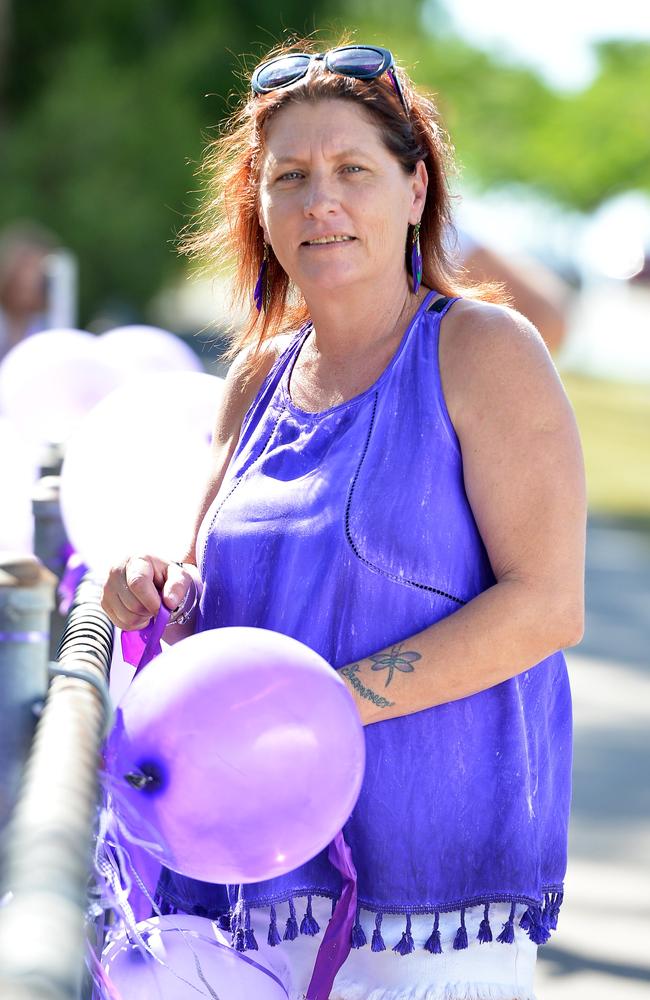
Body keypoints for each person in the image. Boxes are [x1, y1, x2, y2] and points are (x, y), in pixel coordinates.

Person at [101, 38, 586, 1000]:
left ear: (415, 190)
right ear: (262, 206)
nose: (322, 200)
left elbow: (547, 606)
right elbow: (213, 587)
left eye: (354, 169)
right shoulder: (258, 375)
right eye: (292, 177)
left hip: (423, 912)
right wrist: (156, 583)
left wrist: (318, 709)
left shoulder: (485, 350)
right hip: (249, 874)